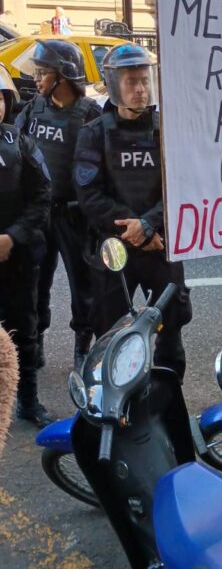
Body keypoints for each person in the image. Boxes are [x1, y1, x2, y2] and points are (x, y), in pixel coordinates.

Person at [73, 43, 192, 379]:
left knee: (170, 329)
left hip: (161, 245)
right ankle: (114, 408)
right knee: (111, 333)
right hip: (116, 248)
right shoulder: (94, 133)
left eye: (144, 80)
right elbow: (89, 195)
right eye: (131, 82)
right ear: (114, 85)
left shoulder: (166, 129)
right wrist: (135, 232)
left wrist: (150, 225)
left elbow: (181, 185)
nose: (140, 89)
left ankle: (169, 406)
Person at [16, 40, 101, 371]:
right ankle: (34, 344)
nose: (36, 79)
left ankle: (83, 348)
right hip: (40, 213)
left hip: (75, 215)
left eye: (42, 72)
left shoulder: (89, 114)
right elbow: (16, 150)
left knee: (84, 288)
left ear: (63, 75)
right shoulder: (34, 108)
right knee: (36, 282)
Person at [0, 64, 53, 426]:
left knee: (24, 330)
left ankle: (28, 401)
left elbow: (42, 194)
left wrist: (12, 237)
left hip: (18, 259)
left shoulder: (18, 142)